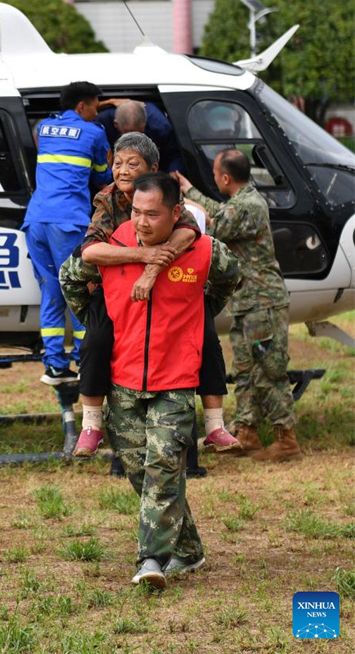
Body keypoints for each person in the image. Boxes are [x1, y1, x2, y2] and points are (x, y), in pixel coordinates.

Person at [97, 172, 239, 587]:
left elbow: (231, 277)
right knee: (142, 470)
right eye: (137, 212)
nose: (142, 222)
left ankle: (151, 560)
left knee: (162, 466)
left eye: (153, 214)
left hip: (176, 380)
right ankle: (189, 549)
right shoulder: (113, 244)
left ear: (176, 213)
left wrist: (199, 312)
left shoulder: (205, 250)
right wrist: (103, 322)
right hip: (121, 380)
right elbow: (74, 277)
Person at [60, 133, 240, 459]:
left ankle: (215, 424)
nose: (123, 170)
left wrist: (155, 270)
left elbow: (189, 232)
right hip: (115, 288)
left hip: (168, 288)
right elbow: (89, 252)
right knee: (97, 339)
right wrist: (141, 258)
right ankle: (91, 423)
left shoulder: (163, 194)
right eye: (117, 163)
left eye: (133, 164)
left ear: (152, 168)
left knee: (207, 337)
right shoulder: (107, 199)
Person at [176, 149, 302, 462]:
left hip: (262, 303)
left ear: (225, 177)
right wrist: (189, 191)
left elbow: (215, 224)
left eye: (216, 173)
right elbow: (220, 213)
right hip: (248, 302)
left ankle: (287, 439)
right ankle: (246, 432)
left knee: (268, 370)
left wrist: (185, 202)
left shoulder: (249, 204)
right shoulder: (242, 201)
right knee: (245, 370)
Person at [22, 81, 111, 386]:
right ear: (82, 106)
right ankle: (85, 363)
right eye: (95, 107)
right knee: (80, 289)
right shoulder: (95, 133)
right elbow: (103, 177)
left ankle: (55, 366)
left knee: (50, 290)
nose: (96, 113)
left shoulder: (45, 128)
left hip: (35, 221)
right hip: (67, 222)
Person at [96, 99, 185, 173]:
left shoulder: (160, 127)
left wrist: (173, 172)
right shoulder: (103, 121)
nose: (133, 139)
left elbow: (174, 154)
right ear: (116, 125)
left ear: (144, 124)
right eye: (127, 133)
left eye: (137, 133)